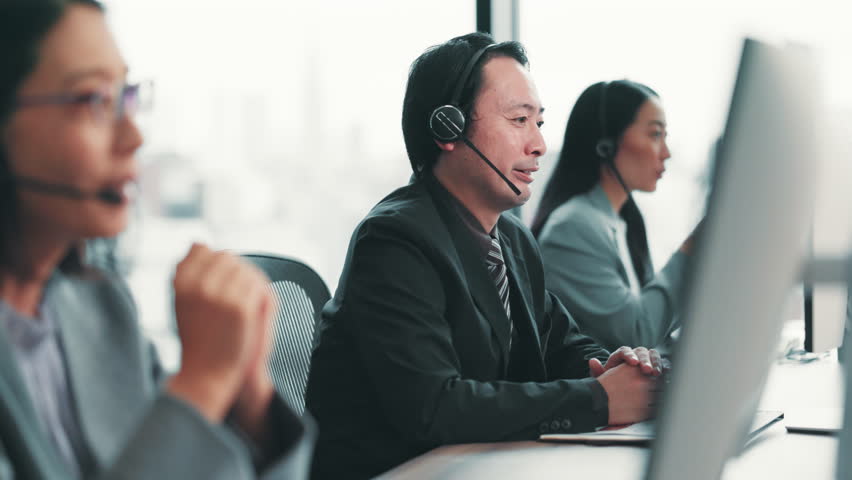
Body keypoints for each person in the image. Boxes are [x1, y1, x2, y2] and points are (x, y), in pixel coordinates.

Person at [305, 33, 665, 480]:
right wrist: (599, 399)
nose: (538, 145)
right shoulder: (395, 241)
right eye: (519, 120)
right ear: (448, 129)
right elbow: (434, 405)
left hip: (480, 466)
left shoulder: (510, 238)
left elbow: (562, 343)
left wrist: (612, 367)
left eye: (539, 123)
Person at [0, 1, 311, 477]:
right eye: (92, 100)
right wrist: (202, 383)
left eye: (123, 97)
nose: (133, 136)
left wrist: (246, 401)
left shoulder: (99, 306)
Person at [531, 80, 697, 352]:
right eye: (655, 135)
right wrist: (693, 248)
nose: (666, 153)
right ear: (606, 145)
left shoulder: (621, 221)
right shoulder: (573, 226)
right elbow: (638, 332)